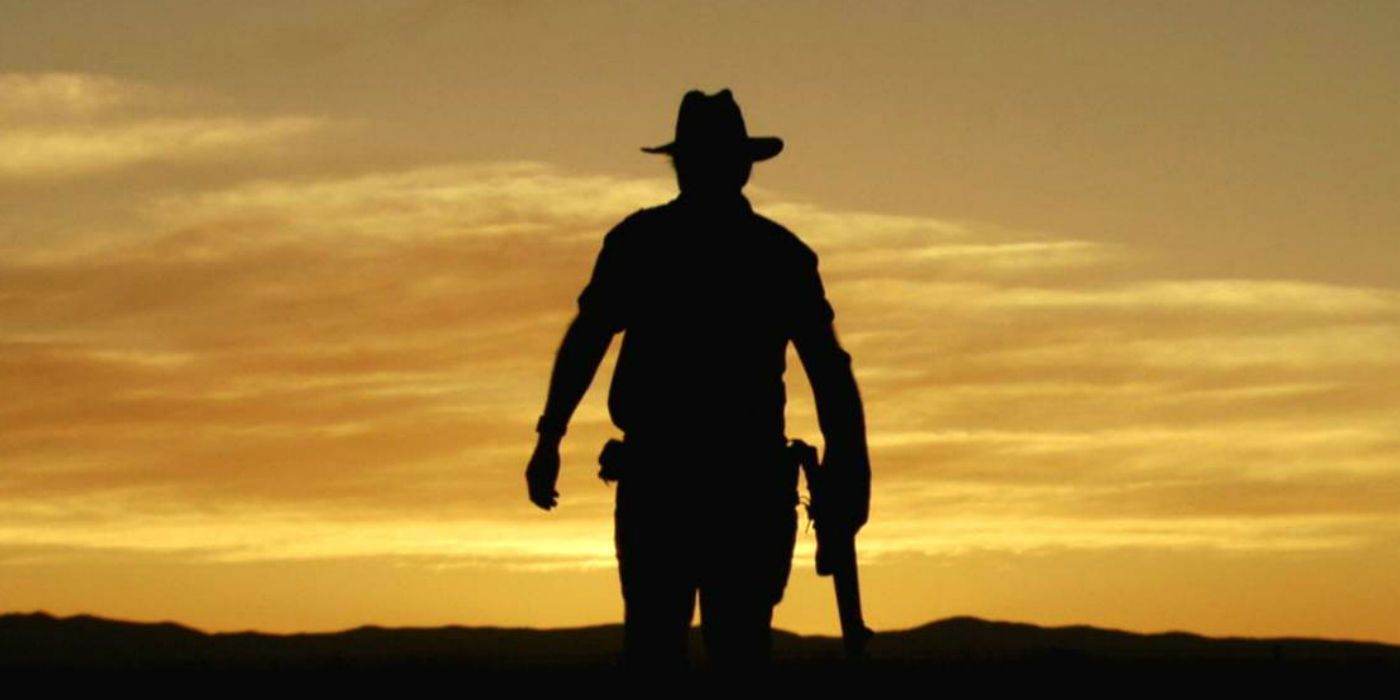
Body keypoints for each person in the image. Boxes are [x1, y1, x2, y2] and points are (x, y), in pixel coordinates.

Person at [524, 88, 871, 672]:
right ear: (742, 165)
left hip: (684, 486)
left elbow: (589, 337)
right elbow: (830, 371)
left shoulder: (645, 244)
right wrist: (850, 469)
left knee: (662, 649)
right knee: (726, 651)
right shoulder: (777, 255)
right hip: (720, 486)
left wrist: (550, 438)